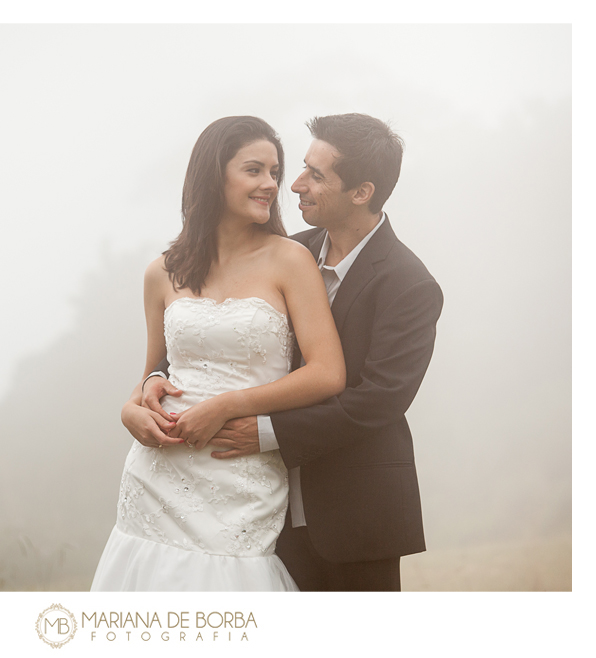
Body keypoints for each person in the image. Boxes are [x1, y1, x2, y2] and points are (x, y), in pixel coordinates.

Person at [141, 113, 444, 591]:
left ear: (361, 192)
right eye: (299, 168)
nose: (295, 185)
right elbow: (193, 346)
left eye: (316, 175)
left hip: (355, 518)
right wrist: (149, 385)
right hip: (257, 509)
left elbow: (379, 401)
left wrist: (265, 432)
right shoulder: (285, 251)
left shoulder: (410, 284)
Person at [90, 116, 346, 591]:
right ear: (213, 175)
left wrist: (228, 406)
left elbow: (328, 373)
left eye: (274, 171)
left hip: (239, 468)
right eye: (254, 170)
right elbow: (153, 372)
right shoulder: (161, 273)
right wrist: (130, 410)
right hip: (158, 475)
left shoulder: (290, 260)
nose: (271, 184)